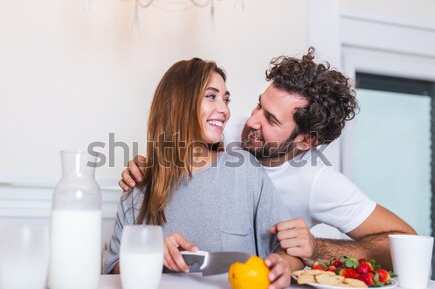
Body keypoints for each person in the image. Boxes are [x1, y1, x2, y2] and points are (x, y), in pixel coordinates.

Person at [119, 48, 416, 270]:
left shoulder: (316, 180)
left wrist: (317, 249)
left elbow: (406, 244)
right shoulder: (227, 127)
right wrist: (151, 166)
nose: (252, 121)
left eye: (271, 120)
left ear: (305, 141)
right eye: (258, 105)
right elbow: (182, 141)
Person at [105, 57, 304, 289]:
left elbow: (292, 252)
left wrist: (285, 265)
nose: (225, 110)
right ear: (177, 103)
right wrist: (151, 254)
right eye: (211, 96)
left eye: (226, 99)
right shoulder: (138, 185)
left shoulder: (246, 172)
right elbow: (112, 270)